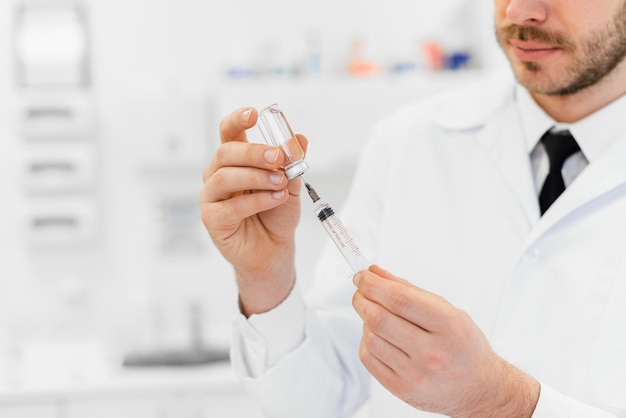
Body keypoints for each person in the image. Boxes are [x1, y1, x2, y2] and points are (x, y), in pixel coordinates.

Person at [200, 0, 626, 416]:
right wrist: (265, 278)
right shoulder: (406, 141)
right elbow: (320, 399)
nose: (518, 11)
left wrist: (503, 402)